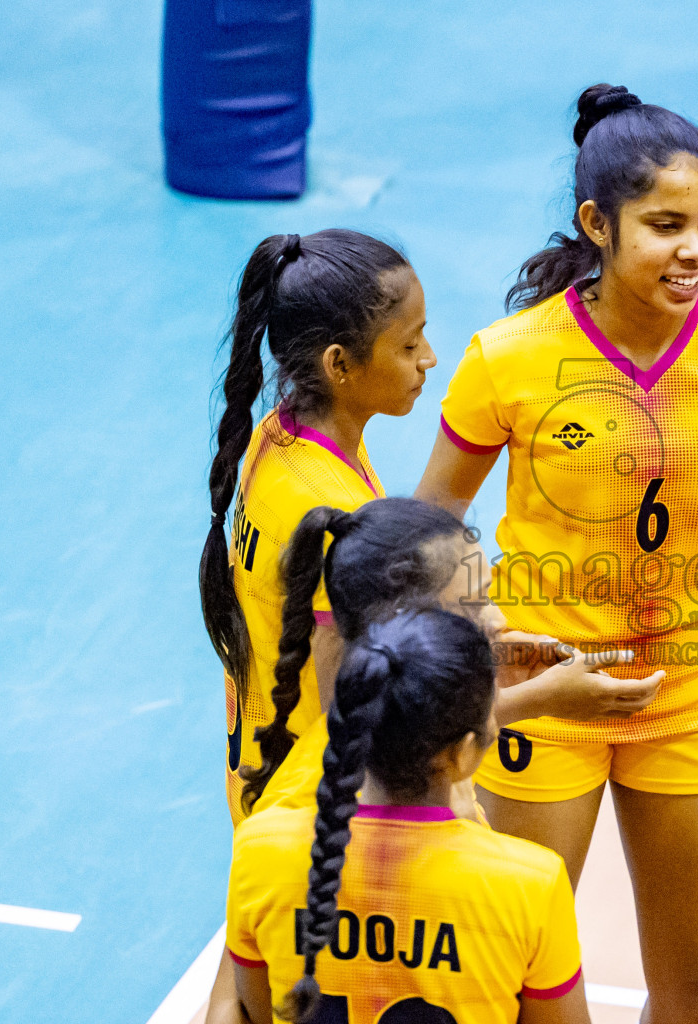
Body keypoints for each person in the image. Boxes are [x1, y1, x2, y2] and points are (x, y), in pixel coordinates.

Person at [415, 83, 698, 1021]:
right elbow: (427, 529)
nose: (694, 249)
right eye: (664, 225)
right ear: (596, 226)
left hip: (686, 690)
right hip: (548, 689)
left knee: (697, 984)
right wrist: (485, 655)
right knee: (513, 979)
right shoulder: (512, 357)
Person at [205, 497, 659, 1024]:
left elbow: (241, 1002)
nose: (497, 618)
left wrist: (494, 695)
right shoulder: (524, 886)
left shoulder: (277, 832)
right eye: (474, 602)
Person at [225, 608, 592, 1024]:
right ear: (467, 753)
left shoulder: (260, 850)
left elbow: (253, 1011)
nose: (496, 613)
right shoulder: (532, 884)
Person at [199, 229, 432, 825]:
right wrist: (540, 698)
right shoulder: (329, 510)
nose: (428, 357)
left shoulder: (279, 437)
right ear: (338, 365)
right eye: (409, 345)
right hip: (317, 819)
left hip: (265, 782)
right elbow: (361, 712)